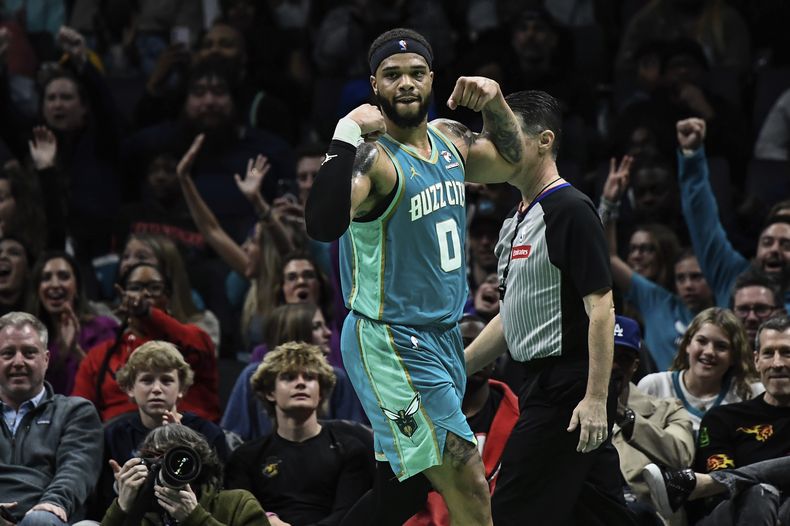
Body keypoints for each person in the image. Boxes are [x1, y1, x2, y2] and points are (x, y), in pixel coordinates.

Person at [304, 27, 526, 526]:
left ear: (431, 80)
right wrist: (343, 136)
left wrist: (495, 103)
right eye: (392, 75)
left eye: (416, 73)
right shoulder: (372, 160)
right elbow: (321, 223)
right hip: (391, 340)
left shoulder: (450, 139)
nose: (405, 83)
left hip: (443, 334)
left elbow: (511, 161)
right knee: (467, 479)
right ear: (374, 86)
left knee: (403, 491)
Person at [464, 90, 634, 525]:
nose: (497, 143)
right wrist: (456, 368)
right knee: (599, 511)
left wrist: (596, 398)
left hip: (569, 389)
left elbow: (601, 307)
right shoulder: (514, 219)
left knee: (511, 511)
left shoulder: (571, 209)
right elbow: (511, 317)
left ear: (543, 141)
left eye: (509, 133)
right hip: (536, 381)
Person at [642, 315, 790, 525]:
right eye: (768, 353)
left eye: (787, 353)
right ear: (756, 361)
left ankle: (708, 483)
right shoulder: (723, 418)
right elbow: (721, 496)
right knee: (758, 494)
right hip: (729, 514)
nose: (777, 363)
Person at [225, 342, 373, 526]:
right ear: (270, 392)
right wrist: (267, 519)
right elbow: (240, 514)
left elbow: (348, 516)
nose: (301, 383)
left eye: (309, 377)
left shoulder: (350, 450)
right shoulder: (245, 457)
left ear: (321, 393)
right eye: (289, 377)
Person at [91, 340, 229, 516]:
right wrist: (120, 492)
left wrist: (184, 445)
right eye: (147, 380)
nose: (156, 389)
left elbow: (218, 497)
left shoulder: (208, 433)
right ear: (130, 388)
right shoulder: (113, 435)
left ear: (182, 388)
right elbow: (100, 505)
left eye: (166, 380)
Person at [405, 316, 520, 526]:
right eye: (464, 344)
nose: (475, 350)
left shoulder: (519, 420)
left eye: (482, 344)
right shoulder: (418, 414)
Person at [72, 263, 219, 422]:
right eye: (135, 288)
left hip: (188, 438)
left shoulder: (194, 338)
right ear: (122, 296)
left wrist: (147, 313)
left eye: (154, 288)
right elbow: (79, 414)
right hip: (119, 440)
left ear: (167, 297)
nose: (144, 294)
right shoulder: (99, 356)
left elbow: (194, 346)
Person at [0, 311, 103, 526]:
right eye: (8, 353)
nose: (18, 362)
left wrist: (53, 503)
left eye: (29, 353)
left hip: (50, 516)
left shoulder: (75, 411)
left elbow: (76, 469)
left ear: (46, 360)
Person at [676, 117, 790, 310]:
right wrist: (692, 155)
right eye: (767, 242)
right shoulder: (730, 274)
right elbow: (702, 220)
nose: (774, 250)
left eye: (786, 244)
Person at [222, 302, 363, 442]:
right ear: (294, 332)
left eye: (309, 377)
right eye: (317, 327)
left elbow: (353, 435)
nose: (328, 333)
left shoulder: (336, 377)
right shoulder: (254, 374)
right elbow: (232, 437)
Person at [610, 315, 695, 526]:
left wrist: (626, 417)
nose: (612, 365)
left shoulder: (667, 410)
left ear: (635, 365)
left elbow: (682, 456)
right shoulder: (566, 410)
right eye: (606, 354)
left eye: (623, 358)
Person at [102, 424, 268, 526]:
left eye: (177, 459)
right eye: (158, 458)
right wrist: (122, 506)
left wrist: (195, 518)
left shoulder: (237, 504)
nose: (169, 469)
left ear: (200, 466)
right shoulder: (138, 513)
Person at [637, 307, 763, 433]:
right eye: (702, 341)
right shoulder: (654, 386)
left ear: (734, 356)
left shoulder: (750, 393)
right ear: (687, 344)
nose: (709, 352)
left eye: (721, 346)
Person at [29, 251, 118, 394]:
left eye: (64, 277)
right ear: (38, 290)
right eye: (46, 278)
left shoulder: (102, 329)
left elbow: (112, 385)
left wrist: (75, 351)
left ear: (77, 287)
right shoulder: (30, 338)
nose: (55, 284)